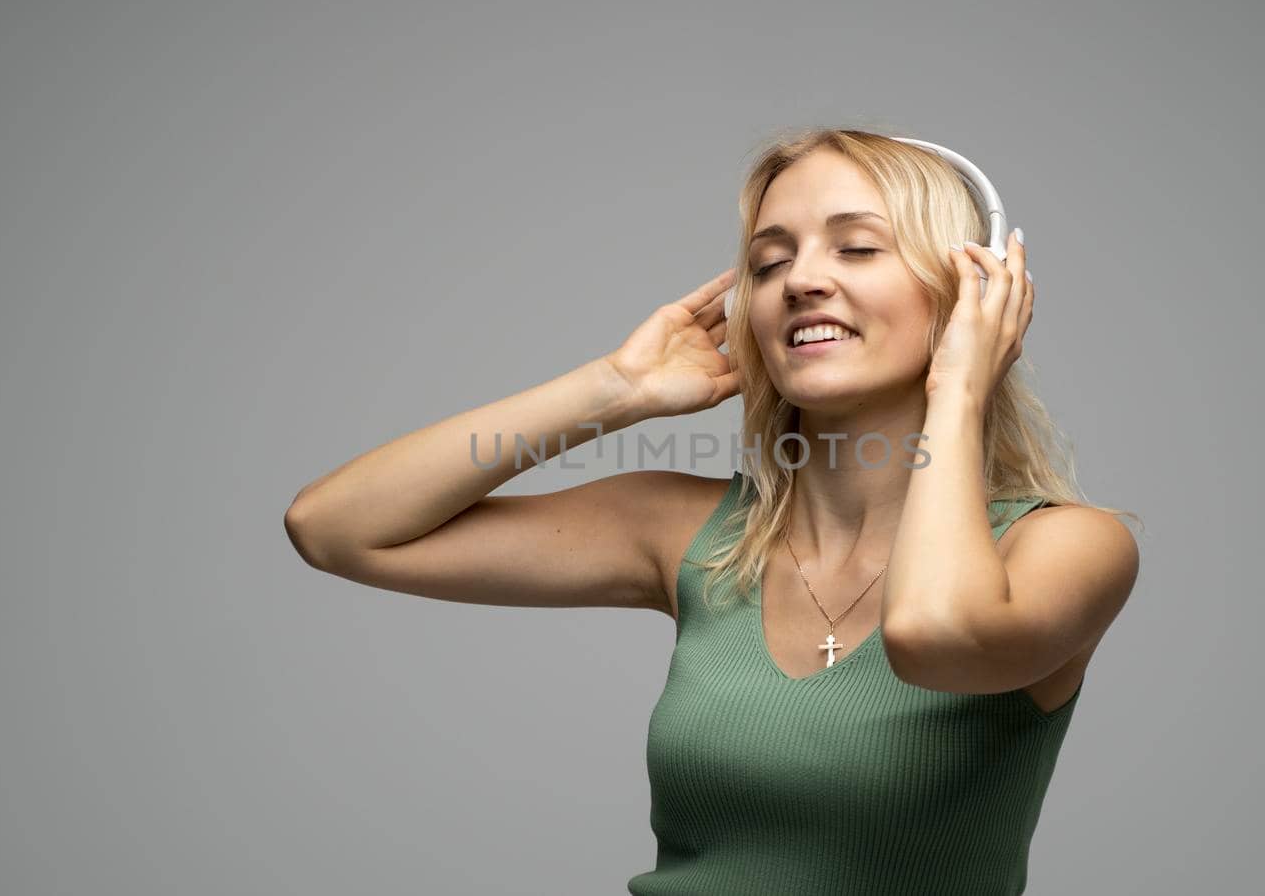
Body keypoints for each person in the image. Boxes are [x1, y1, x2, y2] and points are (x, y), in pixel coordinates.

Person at [283, 127, 1141, 895]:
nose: (802, 280)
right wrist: (614, 389)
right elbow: (335, 528)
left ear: (971, 291)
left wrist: (959, 389)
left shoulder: (1068, 546)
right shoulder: (685, 530)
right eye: (769, 263)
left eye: (857, 249)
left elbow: (935, 637)